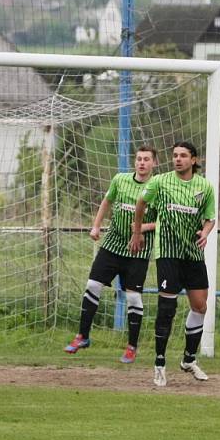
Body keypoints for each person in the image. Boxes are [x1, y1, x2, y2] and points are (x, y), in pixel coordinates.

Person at [129, 141, 216, 387]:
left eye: (183, 156)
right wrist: (137, 232)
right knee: (167, 308)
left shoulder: (204, 187)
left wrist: (206, 232)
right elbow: (141, 204)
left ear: (194, 160)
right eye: (175, 155)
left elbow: (210, 218)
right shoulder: (161, 181)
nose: (178, 159)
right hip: (168, 253)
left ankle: (189, 359)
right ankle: (159, 364)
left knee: (200, 307)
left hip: (193, 255)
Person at [64, 146, 158, 363]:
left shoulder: (158, 188)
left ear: (154, 164)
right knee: (92, 285)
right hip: (112, 246)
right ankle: (82, 336)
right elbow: (107, 201)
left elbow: (163, 220)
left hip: (137, 252)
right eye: (139, 159)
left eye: (146, 160)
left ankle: (132, 347)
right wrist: (96, 226)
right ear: (135, 162)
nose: (142, 163)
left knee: (133, 297)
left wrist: (141, 229)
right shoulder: (120, 180)